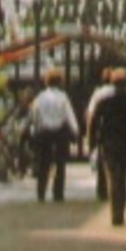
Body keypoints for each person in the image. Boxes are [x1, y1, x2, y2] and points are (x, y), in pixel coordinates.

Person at [89, 67, 126, 226]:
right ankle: (121, 210)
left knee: (112, 176)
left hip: (109, 142)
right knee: (123, 177)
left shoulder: (104, 101)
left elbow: (94, 122)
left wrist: (92, 141)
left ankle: (114, 211)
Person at [28, 69, 79, 202]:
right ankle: (58, 193)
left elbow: (34, 115)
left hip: (44, 133)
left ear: (46, 82)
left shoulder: (40, 97)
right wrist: (75, 131)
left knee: (43, 164)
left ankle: (41, 192)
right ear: (60, 82)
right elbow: (69, 115)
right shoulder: (63, 97)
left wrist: (34, 129)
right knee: (60, 164)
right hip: (60, 133)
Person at [85, 67, 116, 202]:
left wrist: (88, 135)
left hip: (104, 131)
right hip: (119, 131)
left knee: (103, 160)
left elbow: (91, 115)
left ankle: (102, 190)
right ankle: (116, 188)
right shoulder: (122, 92)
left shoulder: (98, 93)